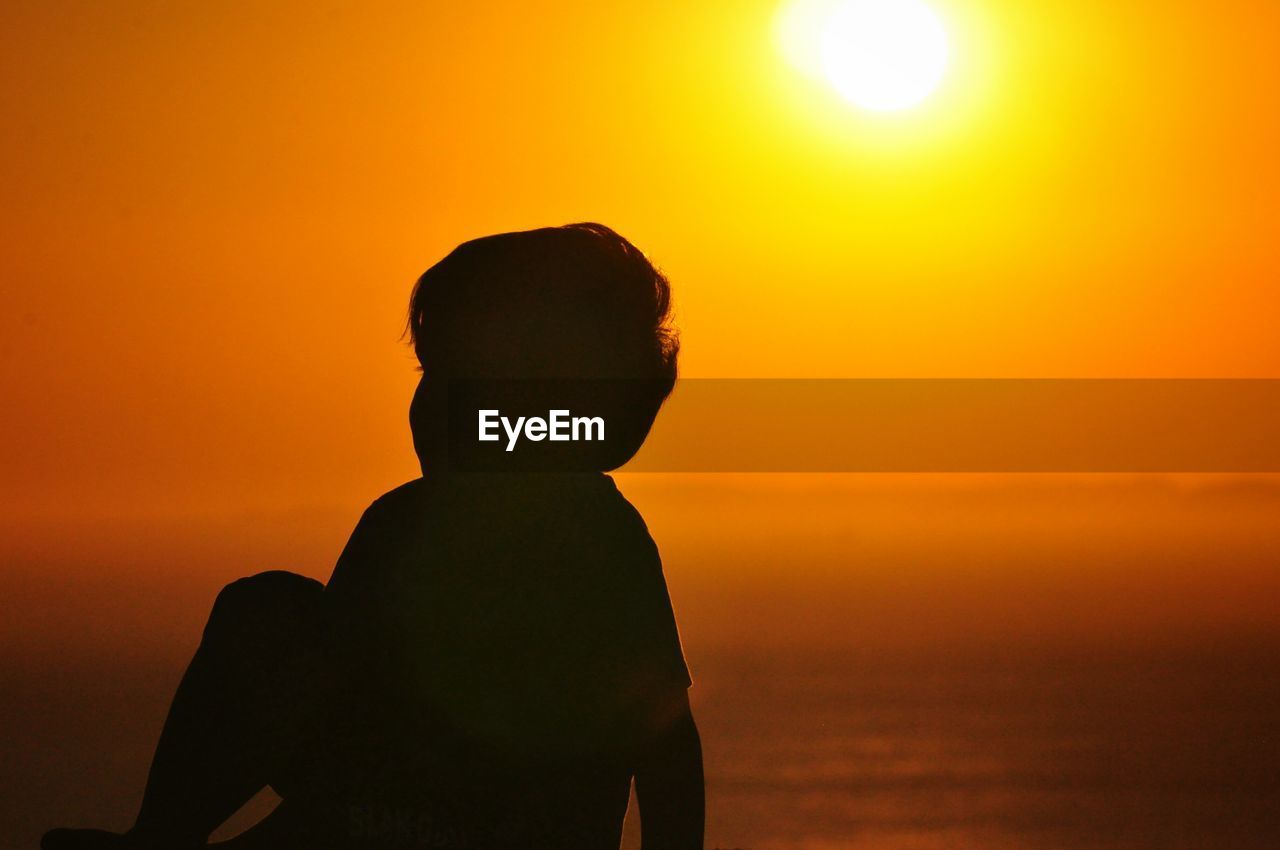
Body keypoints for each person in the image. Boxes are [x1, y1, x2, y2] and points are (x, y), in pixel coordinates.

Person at [42, 223, 703, 850]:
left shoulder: (596, 540)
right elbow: (342, 715)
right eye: (432, 375)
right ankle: (163, 837)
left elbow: (665, 741)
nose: (432, 405)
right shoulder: (401, 524)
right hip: (385, 816)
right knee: (264, 612)